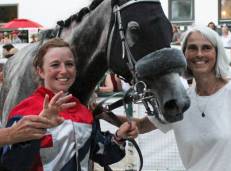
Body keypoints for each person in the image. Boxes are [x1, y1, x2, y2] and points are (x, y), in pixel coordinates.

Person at [105, 26, 231, 171]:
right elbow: (140, 126)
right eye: (192, 48)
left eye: (206, 48)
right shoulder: (181, 101)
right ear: (184, 55)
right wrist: (100, 113)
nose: (199, 54)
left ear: (217, 52)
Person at [0, 38, 138, 171]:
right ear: (40, 71)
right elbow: (12, 164)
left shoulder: (83, 111)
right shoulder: (24, 110)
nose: (64, 70)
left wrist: (119, 137)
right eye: (55, 65)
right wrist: (40, 126)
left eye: (69, 64)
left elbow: (100, 153)